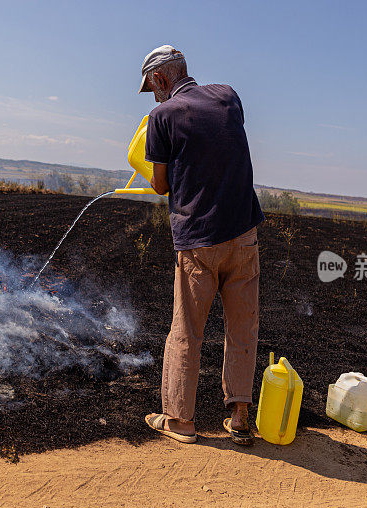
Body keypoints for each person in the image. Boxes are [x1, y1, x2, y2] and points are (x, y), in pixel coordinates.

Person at [139, 45, 264, 446]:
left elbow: (161, 185)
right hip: (244, 233)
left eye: (151, 86)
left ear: (160, 79)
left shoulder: (161, 116)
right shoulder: (228, 95)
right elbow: (218, 143)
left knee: (187, 330)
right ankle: (240, 417)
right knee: (242, 326)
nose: (152, 95)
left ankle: (180, 420)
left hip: (199, 240)